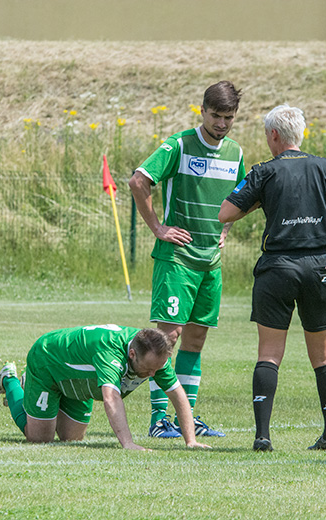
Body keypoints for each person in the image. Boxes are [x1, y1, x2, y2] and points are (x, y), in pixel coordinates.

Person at [218, 104, 326, 453]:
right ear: (299, 134)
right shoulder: (325, 167)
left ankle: (262, 436)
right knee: (323, 356)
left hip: (278, 266)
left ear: (273, 135)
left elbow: (226, 213)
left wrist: (260, 201)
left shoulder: (264, 172)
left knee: (270, 353)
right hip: (319, 266)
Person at [128, 81, 246, 439]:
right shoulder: (179, 145)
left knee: (195, 339)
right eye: (216, 115)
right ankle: (158, 419)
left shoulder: (235, 153)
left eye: (229, 117)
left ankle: (186, 421)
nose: (221, 124)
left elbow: (243, 196)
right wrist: (158, 228)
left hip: (211, 261)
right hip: (177, 259)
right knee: (166, 338)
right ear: (202, 110)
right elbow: (138, 181)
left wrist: (227, 226)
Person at [0, 325, 211, 450]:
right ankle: (11, 380)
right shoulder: (109, 352)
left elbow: (178, 394)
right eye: (148, 370)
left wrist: (190, 441)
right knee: (40, 439)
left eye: (157, 369)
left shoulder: (155, 356)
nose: (153, 375)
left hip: (80, 381)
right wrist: (128, 443)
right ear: (132, 354)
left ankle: (34, 391)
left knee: (71, 440)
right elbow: (111, 398)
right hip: (48, 361)